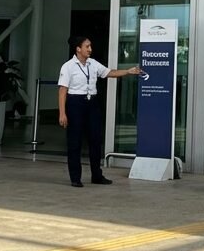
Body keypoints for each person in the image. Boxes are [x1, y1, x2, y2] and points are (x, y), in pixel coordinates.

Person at [57, 36, 142, 187]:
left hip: (92, 103)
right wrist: (62, 113)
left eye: (90, 46)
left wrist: (128, 71)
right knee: (74, 141)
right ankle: (75, 177)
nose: (90, 49)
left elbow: (109, 73)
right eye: (87, 46)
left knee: (96, 140)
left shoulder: (93, 64)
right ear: (78, 48)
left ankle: (97, 175)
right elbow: (63, 91)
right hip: (75, 103)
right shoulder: (68, 67)